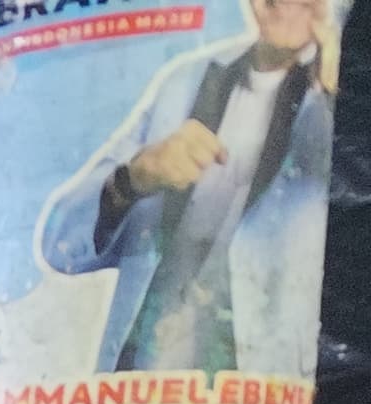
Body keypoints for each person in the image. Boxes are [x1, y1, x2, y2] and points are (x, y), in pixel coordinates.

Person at [39, 0, 336, 375]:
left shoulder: (333, 100)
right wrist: (133, 179)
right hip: (143, 382)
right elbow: (58, 245)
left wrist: (337, 96)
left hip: (266, 393)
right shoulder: (184, 83)